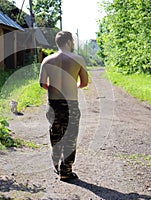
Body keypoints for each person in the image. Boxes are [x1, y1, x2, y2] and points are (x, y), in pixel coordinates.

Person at [39, 31, 88, 181]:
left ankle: (55, 161)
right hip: (70, 103)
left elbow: (42, 83)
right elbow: (84, 83)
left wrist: (54, 88)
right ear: (68, 42)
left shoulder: (47, 60)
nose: (73, 44)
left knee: (56, 133)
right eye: (72, 41)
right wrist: (72, 86)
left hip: (53, 103)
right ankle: (65, 171)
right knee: (70, 137)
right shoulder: (78, 59)